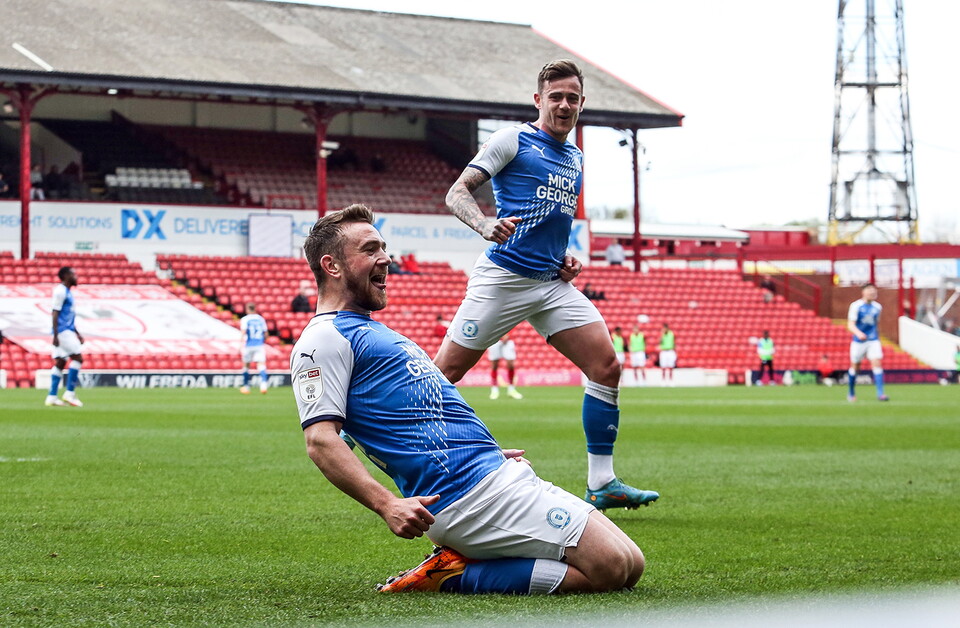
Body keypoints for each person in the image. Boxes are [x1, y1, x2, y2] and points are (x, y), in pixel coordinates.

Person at [292, 205, 645, 594]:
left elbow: (419, 413)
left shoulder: (371, 331)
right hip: (465, 498)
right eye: (370, 249)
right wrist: (387, 504)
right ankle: (451, 575)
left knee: (632, 564)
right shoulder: (323, 338)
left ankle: (467, 559)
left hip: (491, 473)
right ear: (333, 265)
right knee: (609, 569)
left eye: (384, 247)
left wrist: (484, 451)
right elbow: (322, 439)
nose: (386, 258)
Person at [435, 59, 658, 510]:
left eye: (572, 97)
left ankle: (602, 483)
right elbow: (456, 192)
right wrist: (483, 224)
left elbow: (552, 220)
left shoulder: (575, 157)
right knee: (445, 375)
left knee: (606, 367)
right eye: (555, 96)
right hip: (502, 277)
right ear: (539, 100)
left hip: (550, 283)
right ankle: (388, 436)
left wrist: (564, 258)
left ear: (581, 104)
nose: (563, 104)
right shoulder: (512, 139)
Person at [45, 267, 84, 407]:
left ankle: (52, 396)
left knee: (60, 362)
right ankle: (70, 394)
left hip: (66, 331)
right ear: (66, 276)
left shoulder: (67, 292)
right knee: (78, 359)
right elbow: (55, 313)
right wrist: (55, 335)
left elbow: (68, 317)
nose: (76, 276)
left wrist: (77, 334)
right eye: (73, 274)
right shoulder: (60, 291)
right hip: (62, 332)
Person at [847, 283, 889, 402]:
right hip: (858, 341)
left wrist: (877, 338)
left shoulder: (877, 307)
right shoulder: (856, 306)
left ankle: (880, 394)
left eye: (874, 291)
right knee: (855, 367)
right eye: (870, 291)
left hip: (873, 340)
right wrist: (858, 333)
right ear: (863, 292)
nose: (872, 293)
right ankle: (851, 392)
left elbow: (876, 324)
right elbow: (850, 324)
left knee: (877, 363)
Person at [239, 303, 269, 394]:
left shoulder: (245, 319)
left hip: (249, 345)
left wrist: (240, 344)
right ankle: (263, 386)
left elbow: (244, 332)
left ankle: (246, 387)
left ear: (247, 309)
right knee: (261, 365)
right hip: (259, 345)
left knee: (246, 366)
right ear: (255, 309)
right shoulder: (261, 319)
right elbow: (266, 334)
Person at [488, 333, 522, 400]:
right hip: (494, 340)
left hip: (508, 340)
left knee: (511, 365)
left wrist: (506, 335)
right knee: (494, 365)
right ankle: (494, 390)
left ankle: (511, 389)